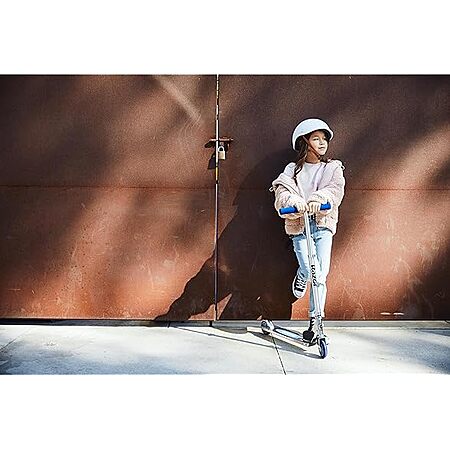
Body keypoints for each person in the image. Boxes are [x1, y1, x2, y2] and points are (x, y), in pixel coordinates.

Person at [270, 118, 345, 341]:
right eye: (316, 139)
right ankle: (302, 274)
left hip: (322, 224)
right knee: (308, 268)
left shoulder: (332, 167)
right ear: (304, 142)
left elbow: (335, 190)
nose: (322, 143)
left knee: (320, 274)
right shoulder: (292, 170)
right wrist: (294, 201)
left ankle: (316, 321)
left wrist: (318, 199)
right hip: (299, 224)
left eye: (324, 139)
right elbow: (282, 192)